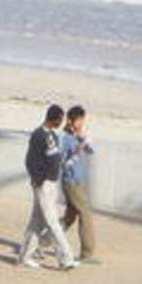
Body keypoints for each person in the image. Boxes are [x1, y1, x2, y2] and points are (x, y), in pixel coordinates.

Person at [16, 103, 76, 271]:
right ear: (54, 119)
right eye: (60, 119)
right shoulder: (38, 135)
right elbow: (30, 160)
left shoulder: (53, 136)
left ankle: (24, 257)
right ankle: (66, 259)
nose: (61, 122)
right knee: (52, 221)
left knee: (37, 221)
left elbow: (55, 159)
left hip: (50, 184)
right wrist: (38, 179)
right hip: (42, 184)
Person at [57, 104, 98, 264]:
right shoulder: (64, 138)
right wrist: (76, 151)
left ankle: (45, 239)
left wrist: (83, 139)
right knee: (85, 213)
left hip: (77, 181)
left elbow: (90, 151)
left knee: (70, 216)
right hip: (70, 181)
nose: (81, 123)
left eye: (82, 120)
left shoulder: (76, 136)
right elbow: (62, 162)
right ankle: (87, 253)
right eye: (79, 120)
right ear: (71, 121)